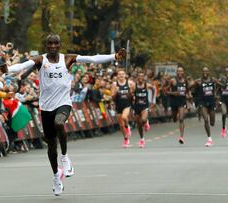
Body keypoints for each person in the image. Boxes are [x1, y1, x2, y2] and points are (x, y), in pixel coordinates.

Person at [8, 34, 125, 196]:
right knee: (50, 145)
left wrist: (114, 56)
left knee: (59, 123)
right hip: (46, 106)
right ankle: (56, 176)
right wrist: (5, 69)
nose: (53, 46)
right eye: (50, 44)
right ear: (46, 45)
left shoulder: (68, 59)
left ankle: (65, 157)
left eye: (56, 44)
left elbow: (92, 59)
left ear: (60, 45)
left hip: (63, 102)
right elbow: (21, 66)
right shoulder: (40, 60)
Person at [191, 67, 216, 146]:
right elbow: (190, 88)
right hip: (202, 102)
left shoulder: (213, 80)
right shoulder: (199, 81)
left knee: (212, 123)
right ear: (202, 72)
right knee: (206, 119)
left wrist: (217, 97)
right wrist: (194, 84)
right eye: (203, 71)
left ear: (209, 72)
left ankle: (210, 133)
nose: (205, 72)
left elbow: (220, 86)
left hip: (211, 102)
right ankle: (209, 138)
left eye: (206, 71)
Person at [111, 69, 135, 148]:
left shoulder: (130, 83)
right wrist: (115, 93)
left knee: (124, 117)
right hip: (118, 105)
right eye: (119, 74)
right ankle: (126, 138)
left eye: (122, 74)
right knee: (121, 125)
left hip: (127, 104)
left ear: (125, 75)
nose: (121, 75)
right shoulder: (115, 84)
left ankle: (128, 127)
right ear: (117, 76)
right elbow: (113, 97)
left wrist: (131, 92)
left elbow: (134, 95)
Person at [166, 67, 189, 144]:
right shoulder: (173, 81)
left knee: (181, 118)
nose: (180, 72)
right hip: (174, 102)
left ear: (183, 72)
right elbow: (165, 90)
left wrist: (188, 102)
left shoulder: (185, 81)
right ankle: (174, 117)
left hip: (182, 102)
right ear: (176, 73)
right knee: (174, 119)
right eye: (178, 71)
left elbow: (187, 92)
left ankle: (181, 137)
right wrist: (173, 93)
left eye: (181, 71)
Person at [133, 71, 154, 148]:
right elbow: (130, 94)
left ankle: (146, 122)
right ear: (137, 78)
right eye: (139, 76)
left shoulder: (147, 85)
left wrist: (152, 100)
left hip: (145, 106)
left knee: (143, 119)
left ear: (144, 78)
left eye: (142, 76)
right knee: (138, 124)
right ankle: (142, 139)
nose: (141, 78)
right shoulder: (134, 86)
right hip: (137, 106)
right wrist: (131, 97)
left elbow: (153, 89)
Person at [216, 67, 228, 138]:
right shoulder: (222, 79)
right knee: (224, 113)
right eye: (226, 72)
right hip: (223, 99)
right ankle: (223, 129)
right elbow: (217, 87)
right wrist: (216, 95)